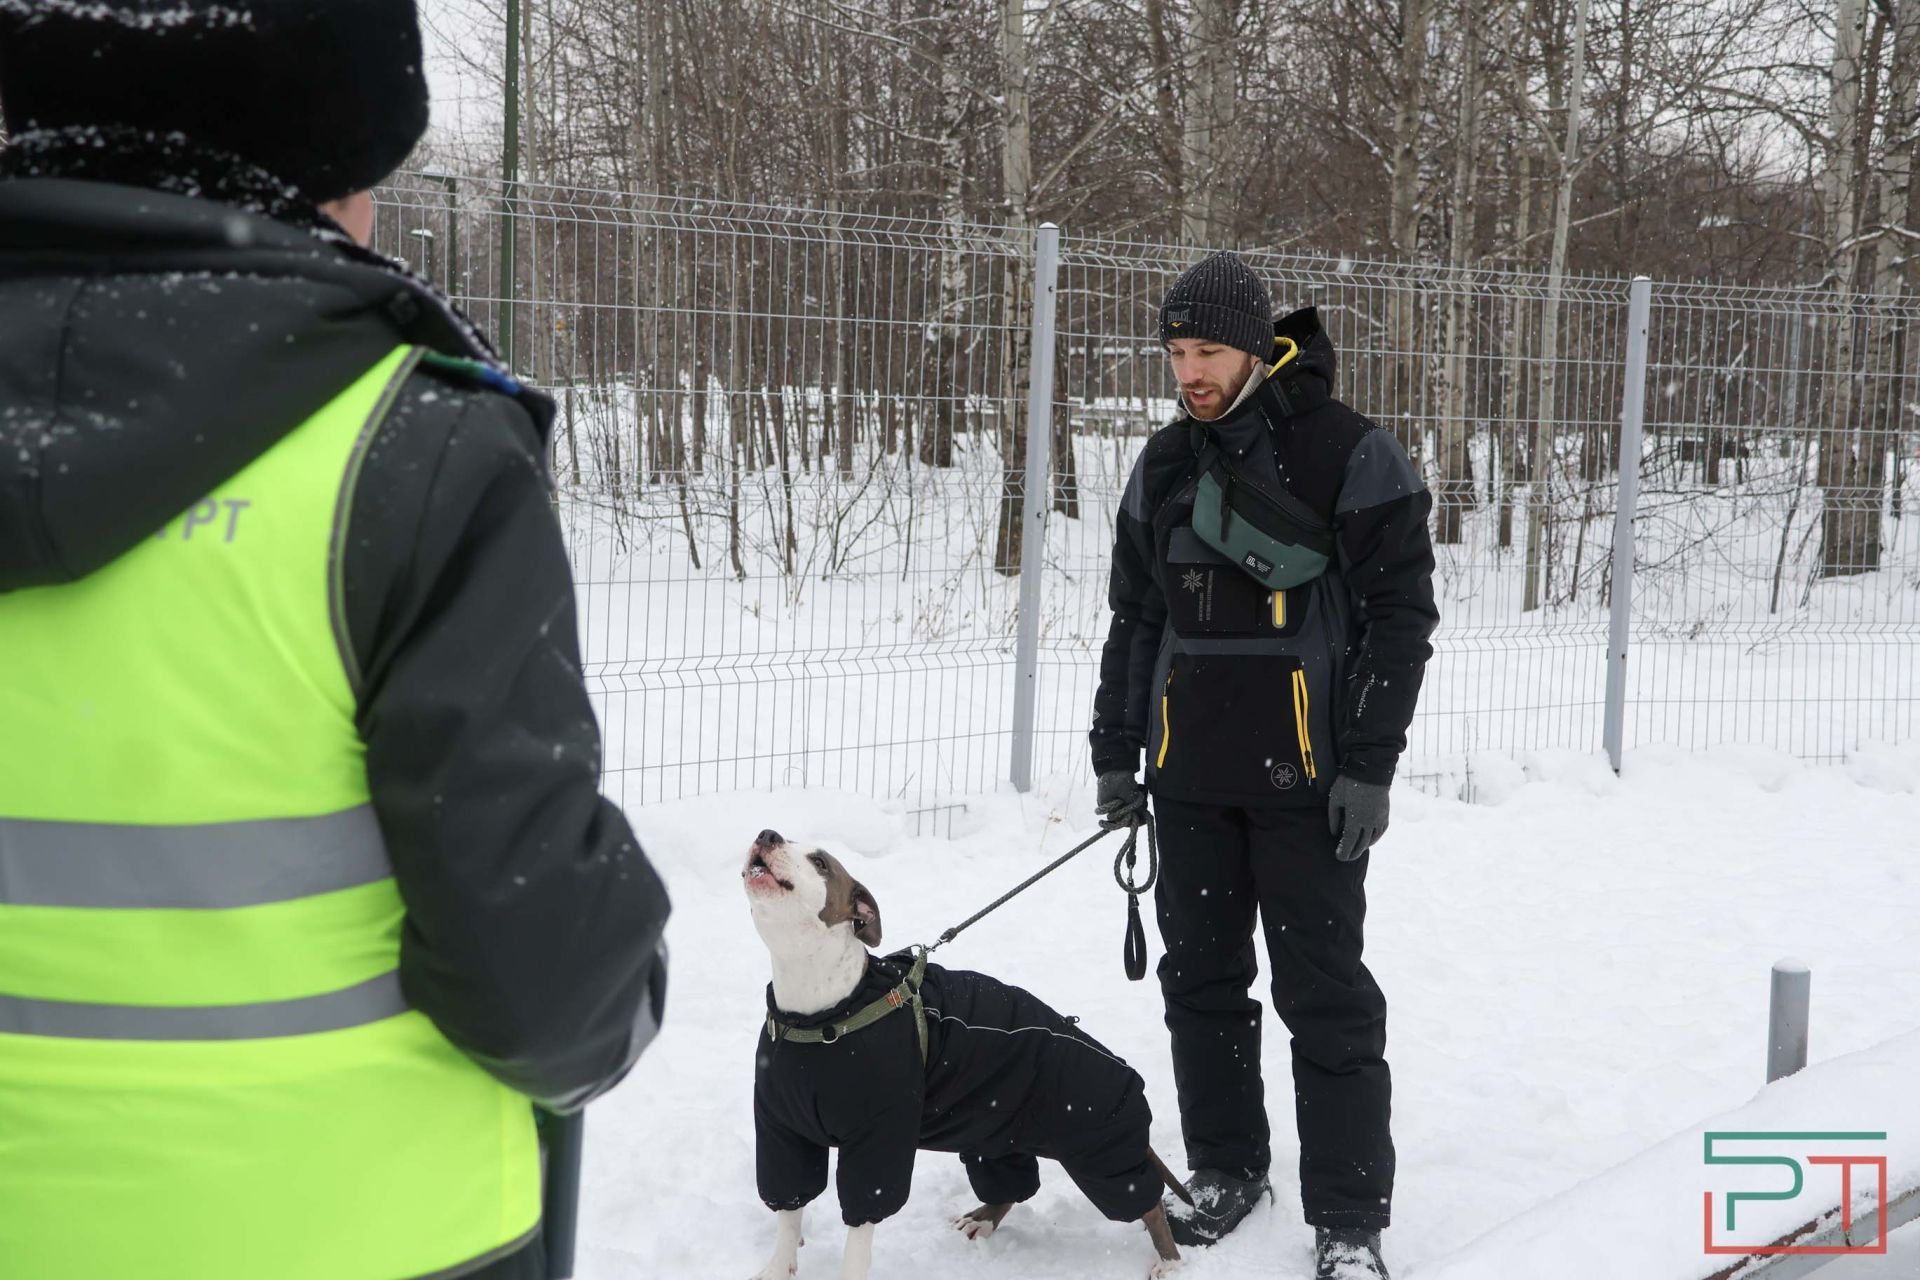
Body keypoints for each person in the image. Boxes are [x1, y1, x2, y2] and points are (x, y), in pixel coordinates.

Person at [0, 4, 670, 1278]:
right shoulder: (409, 452)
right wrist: (619, 988)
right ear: (335, 164)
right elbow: (538, 969)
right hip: (374, 1230)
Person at [1088, 252, 1437, 1280]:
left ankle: (1348, 1216)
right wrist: (1118, 753)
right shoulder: (1161, 465)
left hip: (1311, 787)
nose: (1189, 371)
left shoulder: (1346, 453)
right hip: (1188, 780)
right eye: (1176, 352)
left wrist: (1369, 765)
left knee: (1325, 995)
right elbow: (1135, 619)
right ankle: (1229, 1167)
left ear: (1256, 346)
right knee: (1200, 985)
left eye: (1207, 351)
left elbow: (1402, 618)